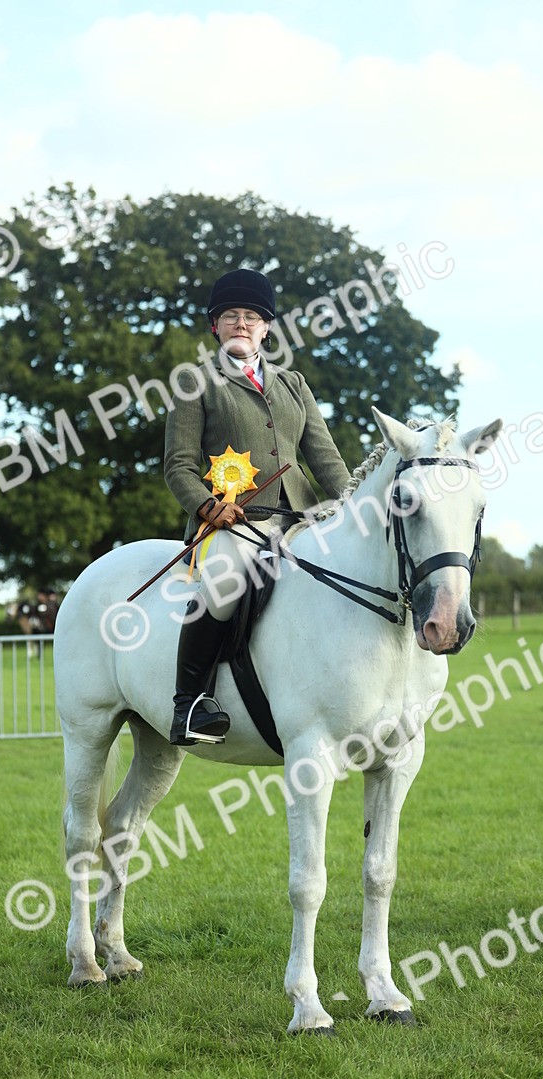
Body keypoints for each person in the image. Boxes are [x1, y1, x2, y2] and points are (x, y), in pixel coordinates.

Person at [164, 267, 352, 746]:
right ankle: (190, 703)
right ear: (215, 326)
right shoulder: (194, 382)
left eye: (251, 317)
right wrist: (208, 507)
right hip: (235, 523)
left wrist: (355, 504)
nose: (241, 324)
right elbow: (178, 466)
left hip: (301, 519)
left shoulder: (293, 384)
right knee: (225, 586)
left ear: (266, 327)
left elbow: (325, 458)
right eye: (231, 316)